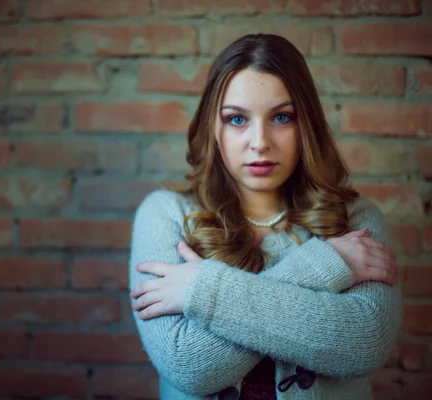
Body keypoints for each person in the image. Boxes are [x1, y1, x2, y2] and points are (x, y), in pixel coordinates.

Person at [128, 34, 402, 400]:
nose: (260, 141)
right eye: (237, 119)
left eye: (281, 117)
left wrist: (202, 289)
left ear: (307, 124)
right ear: (214, 127)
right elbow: (188, 366)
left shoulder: (355, 219)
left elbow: (365, 344)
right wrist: (323, 266)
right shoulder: (166, 214)